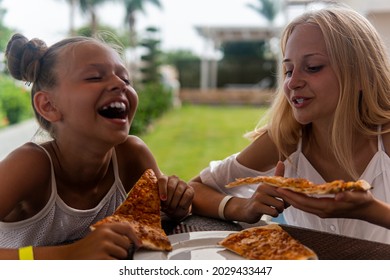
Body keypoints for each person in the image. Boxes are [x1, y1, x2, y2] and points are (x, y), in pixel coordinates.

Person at [190, 5, 390, 244]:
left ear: (361, 75)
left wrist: (371, 210)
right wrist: (243, 207)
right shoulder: (285, 141)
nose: (293, 82)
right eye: (288, 70)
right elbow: (196, 189)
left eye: (313, 67)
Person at [0, 33, 194, 259]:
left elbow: (163, 213)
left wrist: (177, 204)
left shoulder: (132, 155)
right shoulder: (29, 165)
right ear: (48, 105)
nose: (119, 84)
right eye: (94, 77)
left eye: (126, 79)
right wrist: (70, 255)